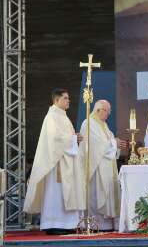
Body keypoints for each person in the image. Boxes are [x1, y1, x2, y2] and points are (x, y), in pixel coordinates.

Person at [24, 89, 85, 235]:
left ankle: (67, 224)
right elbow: (54, 139)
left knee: (65, 194)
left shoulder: (63, 117)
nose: (68, 100)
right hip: (56, 164)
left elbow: (65, 137)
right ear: (57, 100)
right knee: (56, 194)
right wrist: (72, 139)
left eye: (68, 98)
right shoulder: (51, 116)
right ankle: (55, 223)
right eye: (65, 98)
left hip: (65, 162)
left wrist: (74, 138)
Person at [79, 100, 128, 231]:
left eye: (109, 111)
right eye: (107, 110)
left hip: (106, 167)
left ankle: (107, 225)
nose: (108, 114)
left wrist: (116, 144)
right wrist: (114, 143)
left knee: (107, 195)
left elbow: (108, 142)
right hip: (95, 169)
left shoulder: (104, 125)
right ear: (98, 110)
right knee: (96, 196)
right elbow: (96, 145)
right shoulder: (88, 123)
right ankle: (96, 224)